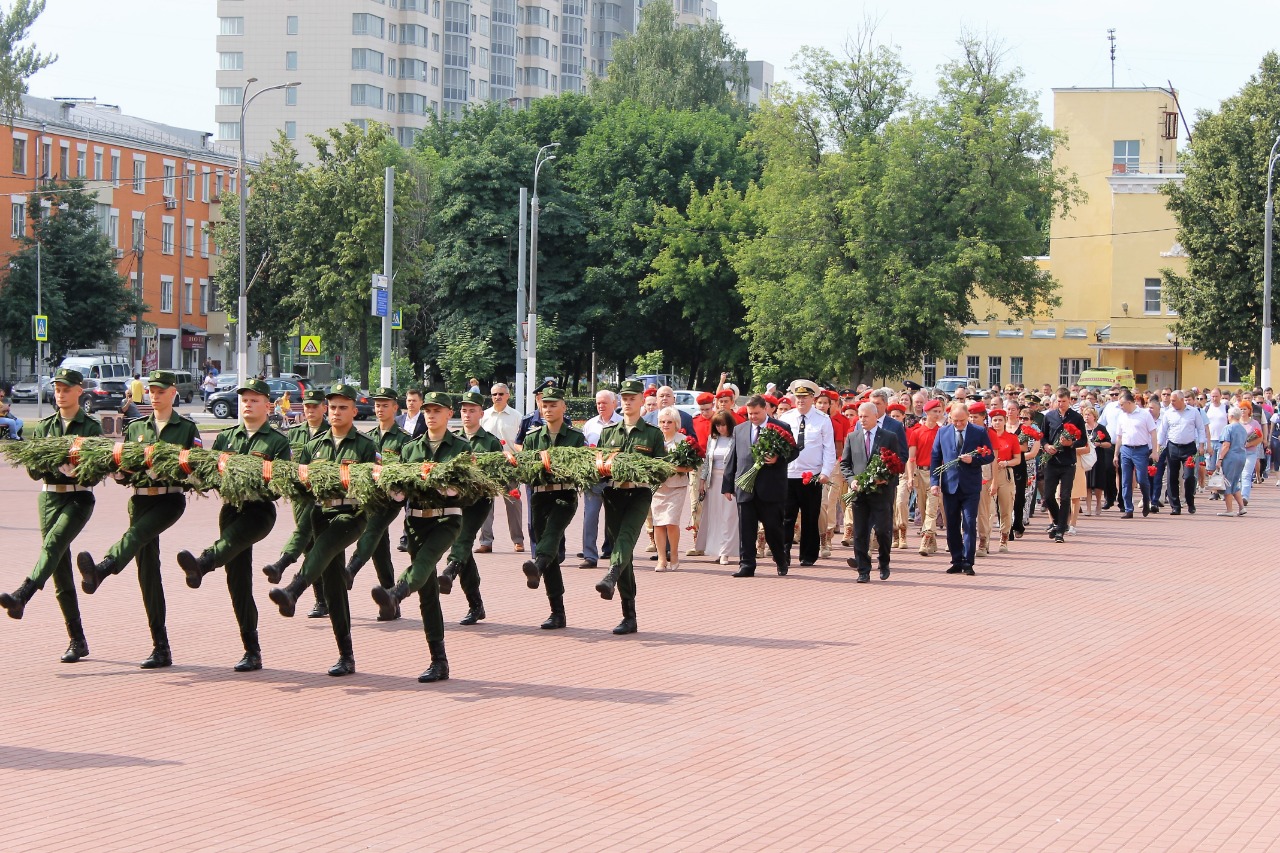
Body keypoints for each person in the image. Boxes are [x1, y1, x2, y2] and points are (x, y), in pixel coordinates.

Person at [76, 370, 202, 669]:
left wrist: (173, 471)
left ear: (173, 392)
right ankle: (161, 647)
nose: (155, 395)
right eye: (151, 390)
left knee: (134, 537)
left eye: (161, 390)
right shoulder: (136, 428)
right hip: (140, 500)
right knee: (147, 573)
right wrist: (120, 472)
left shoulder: (185, 428)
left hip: (169, 499)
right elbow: (124, 467)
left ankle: (103, 569)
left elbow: (197, 471)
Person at [174, 378, 291, 672]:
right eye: (244, 400)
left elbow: (279, 486)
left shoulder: (277, 442)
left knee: (231, 543)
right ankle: (251, 651)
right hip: (231, 509)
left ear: (268, 405)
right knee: (237, 581)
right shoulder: (227, 438)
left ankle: (202, 563)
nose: (247, 404)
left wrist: (255, 484)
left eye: (254, 400)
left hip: (259, 511)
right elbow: (211, 471)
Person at [267, 384, 379, 677]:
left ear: (354, 411)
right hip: (321, 513)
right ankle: (346, 655)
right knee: (333, 586)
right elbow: (300, 481)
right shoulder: (314, 445)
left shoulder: (365, 446)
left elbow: (376, 485)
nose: (337, 412)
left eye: (343, 407)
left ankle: (294, 589)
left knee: (326, 545)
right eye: (333, 408)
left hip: (351, 515)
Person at [0, 368, 100, 662]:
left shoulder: (91, 428)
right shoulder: (44, 427)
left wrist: (70, 466)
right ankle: (77, 639)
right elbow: (33, 470)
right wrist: (55, 465)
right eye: (57, 388)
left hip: (79, 497)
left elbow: (94, 473)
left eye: (66, 388)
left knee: (53, 544)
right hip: (49, 497)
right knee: (59, 568)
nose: (60, 393)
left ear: (79, 391)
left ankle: (23, 594)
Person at [370, 391, 471, 681]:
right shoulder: (411, 448)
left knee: (425, 561)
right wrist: (393, 489)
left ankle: (396, 592)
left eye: (437, 410)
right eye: (427, 410)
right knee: (428, 594)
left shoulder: (460, 448)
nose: (431, 415)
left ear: (448, 414)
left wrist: (446, 487)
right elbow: (400, 489)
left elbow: (467, 490)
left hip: (446, 520)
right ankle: (438, 661)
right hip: (416, 522)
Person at [593, 380, 667, 634]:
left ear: (641, 401)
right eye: (624, 397)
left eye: (632, 397)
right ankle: (629, 615)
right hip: (613, 493)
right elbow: (600, 465)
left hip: (639, 493)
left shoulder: (653, 434)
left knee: (626, 538)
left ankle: (611, 575)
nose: (627, 401)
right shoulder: (609, 432)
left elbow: (661, 470)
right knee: (620, 548)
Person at [519, 386, 586, 629]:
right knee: (550, 554)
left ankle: (537, 564)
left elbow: (582, 468)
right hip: (539, 496)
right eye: (544, 405)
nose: (548, 409)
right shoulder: (532, 437)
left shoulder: (576, 437)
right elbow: (525, 469)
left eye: (553, 405)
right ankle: (557, 612)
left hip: (564, 495)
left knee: (551, 535)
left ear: (563, 407)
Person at [341, 387, 410, 618]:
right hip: (370, 496)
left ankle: (351, 569)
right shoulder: (368, 437)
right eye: (377, 405)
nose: (380, 409)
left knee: (372, 528)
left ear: (395, 407)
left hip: (390, 499)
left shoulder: (404, 439)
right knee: (379, 548)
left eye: (385, 405)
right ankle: (391, 602)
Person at [436, 389, 503, 627]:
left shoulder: (490, 442)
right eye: (464, 410)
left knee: (462, 538)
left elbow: (498, 476)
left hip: (479, 502)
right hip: (455, 501)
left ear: (481, 413)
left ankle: (449, 571)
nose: (467, 415)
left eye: (472, 410)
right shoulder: (452, 440)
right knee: (464, 550)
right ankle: (476, 605)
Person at [261, 388, 329, 618]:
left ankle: (284, 563)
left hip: (323, 499)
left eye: (314, 406)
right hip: (300, 498)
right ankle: (321, 600)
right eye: (307, 406)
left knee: (310, 538)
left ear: (323, 408)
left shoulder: (331, 432)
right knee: (310, 547)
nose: (310, 410)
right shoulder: (295, 433)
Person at [722, 395, 798, 579]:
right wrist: (727, 485)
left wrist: (777, 459)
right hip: (745, 488)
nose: (753, 417)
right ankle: (747, 565)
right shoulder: (740, 429)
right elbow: (733, 457)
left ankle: (781, 560)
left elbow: (794, 451)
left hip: (771, 489)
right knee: (746, 530)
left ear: (766, 409)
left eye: (756, 413)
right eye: (750, 413)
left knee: (773, 529)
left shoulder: (781, 428)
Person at [840, 401, 906, 582]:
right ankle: (863, 569)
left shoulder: (889, 437)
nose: (862, 420)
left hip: (881, 492)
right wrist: (852, 481)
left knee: (883, 531)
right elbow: (845, 464)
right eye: (859, 416)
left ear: (876, 417)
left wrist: (886, 479)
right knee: (860, 532)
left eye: (866, 416)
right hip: (860, 493)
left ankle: (884, 562)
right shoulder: (852, 437)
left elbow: (897, 464)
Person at [930, 400, 994, 576]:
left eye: (962, 421)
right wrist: (934, 482)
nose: (958, 424)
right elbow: (935, 458)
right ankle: (956, 559)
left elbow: (989, 455)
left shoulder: (979, 432)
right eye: (955, 421)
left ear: (968, 418)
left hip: (970, 486)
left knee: (968, 522)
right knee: (952, 524)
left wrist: (974, 460)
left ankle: (968, 561)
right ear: (950, 418)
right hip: (950, 485)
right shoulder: (943, 432)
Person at [779, 380, 835, 567]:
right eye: (798, 397)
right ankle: (783, 553)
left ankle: (808, 555)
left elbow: (829, 449)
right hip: (789, 474)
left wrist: (826, 472)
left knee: (811, 517)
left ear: (813, 398)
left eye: (805, 397)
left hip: (812, 476)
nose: (801, 400)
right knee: (787, 517)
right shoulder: (786, 418)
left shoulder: (823, 420)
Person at [478, 382, 525, 554]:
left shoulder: (517, 416)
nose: (497, 397)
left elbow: (521, 442)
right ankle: (485, 541)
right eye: (494, 394)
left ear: (508, 396)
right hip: (488, 465)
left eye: (501, 394)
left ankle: (518, 540)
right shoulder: (484, 416)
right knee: (485, 504)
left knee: (513, 503)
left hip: (510, 465)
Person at [1040, 387, 1088, 542]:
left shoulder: (1076, 417)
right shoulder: (1049, 417)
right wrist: (1046, 446)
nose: (1061, 404)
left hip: (1068, 462)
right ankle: (1057, 521)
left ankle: (1061, 530)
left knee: (1065, 496)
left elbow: (1083, 440)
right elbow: (1043, 436)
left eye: (1064, 401)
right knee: (1048, 496)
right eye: (1058, 401)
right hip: (1052, 461)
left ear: (1069, 401)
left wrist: (1071, 443)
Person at [579, 389, 620, 569]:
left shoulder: (622, 423)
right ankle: (589, 554)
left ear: (614, 404)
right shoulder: (589, 425)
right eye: (598, 403)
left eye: (604, 402)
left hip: (615, 478)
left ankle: (614, 552)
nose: (601, 406)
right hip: (594, 478)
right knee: (590, 516)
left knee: (614, 518)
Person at [652, 407, 694, 572]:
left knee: (670, 521)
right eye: (662, 422)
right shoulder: (654, 440)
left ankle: (674, 554)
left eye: (669, 422)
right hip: (658, 487)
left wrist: (674, 468)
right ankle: (661, 559)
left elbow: (691, 466)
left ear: (676, 423)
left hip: (677, 486)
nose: (665, 424)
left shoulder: (684, 441)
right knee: (658, 523)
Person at [695, 411, 740, 565]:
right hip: (713, 481)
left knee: (729, 516)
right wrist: (702, 480)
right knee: (715, 517)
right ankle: (717, 549)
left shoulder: (736, 439)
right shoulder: (712, 439)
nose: (720, 428)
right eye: (717, 425)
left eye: (723, 424)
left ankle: (726, 552)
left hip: (729, 481)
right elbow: (707, 460)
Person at [1157, 390, 1207, 515]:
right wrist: (1158, 448)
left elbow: (1201, 429)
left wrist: (1202, 445)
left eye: (1174, 400)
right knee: (1172, 477)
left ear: (1181, 400)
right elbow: (1162, 431)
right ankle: (1175, 506)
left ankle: (1190, 501)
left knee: (1189, 476)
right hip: (1173, 447)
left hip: (1189, 448)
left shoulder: (1193, 412)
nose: (1171, 402)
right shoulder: (1168, 413)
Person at [1111, 390, 1157, 519]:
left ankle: (1146, 500)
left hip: (1141, 449)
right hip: (1125, 449)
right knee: (1125, 480)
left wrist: (1154, 451)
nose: (1120, 407)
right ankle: (1128, 508)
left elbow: (1153, 432)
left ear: (1129, 402)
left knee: (1142, 479)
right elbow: (1119, 436)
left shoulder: (1144, 414)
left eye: (1122, 404)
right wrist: (1116, 454)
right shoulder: (1121, 416)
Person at [909, 399, 944, 556]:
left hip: (937, 473)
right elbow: (911, 458)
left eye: (939, 411)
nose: (937, 414)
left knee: (932, 508)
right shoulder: (917, 432)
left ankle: (925, 539)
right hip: (920, 472)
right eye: (934, 411)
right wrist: (911, 476)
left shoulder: (943, 432)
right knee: (922, 509)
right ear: (927, 413)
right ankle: (932, 542)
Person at [986, 408, 1022, 552]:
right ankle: (985, 538)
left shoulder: (1011, 438)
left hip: (1005, 473)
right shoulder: (987, 436)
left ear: (1005, 421)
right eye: (994, 420)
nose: (997, 423)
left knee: (1006, 507)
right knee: (988, 509)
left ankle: (1004, 538)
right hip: (989, 473)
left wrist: (1007, 463)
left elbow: (1018, 459)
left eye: (1000, 420)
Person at [1208, 406, 1249, 517]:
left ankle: (1229, 509)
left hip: (1231, 457)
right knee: (1235, 482)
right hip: (1241, 456)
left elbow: (1226, 445)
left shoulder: (1228, 428)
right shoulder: (1242, 429)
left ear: (1230, 416)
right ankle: (1241, 507)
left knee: (1227, 483)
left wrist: (1220, 459)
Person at [1084, 405, 1113, 517]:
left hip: (1098, 458)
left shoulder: (1100, 428)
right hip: (1086, 458)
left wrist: (1099, 444)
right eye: (1085, 415)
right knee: (1087, 483)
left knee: (1097, 483)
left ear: (1094, 416)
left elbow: (1109, 443)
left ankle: (1098, 503)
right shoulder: (1082, 427)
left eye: (1088, 415)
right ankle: (1088, 508)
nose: (1086, 417)